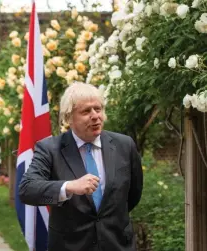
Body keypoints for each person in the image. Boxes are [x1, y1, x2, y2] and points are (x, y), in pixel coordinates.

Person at [18, 82, 143, 251]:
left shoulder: (124, 145)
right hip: (70, 246)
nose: (95, 116)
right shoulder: (50, 149)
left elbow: (133, 194)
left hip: (117, 244)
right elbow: (27, 189)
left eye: (98, 109)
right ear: (68, 118)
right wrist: (69, 187)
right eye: (86, 111)